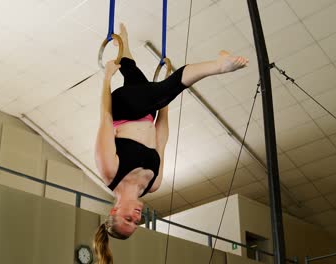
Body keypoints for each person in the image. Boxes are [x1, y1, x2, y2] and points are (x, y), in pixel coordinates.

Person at [93, 23, 248, 263]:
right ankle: (124, 44)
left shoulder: (109, 171)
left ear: (114, 211)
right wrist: (164, 103)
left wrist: (106, 79)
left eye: (128, 219)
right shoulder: (154, 184)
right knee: (140, 78)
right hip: (147, 110)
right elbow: (161, 139)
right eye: (137, 223)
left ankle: (220, 66)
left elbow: (105, 117)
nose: (136, 217)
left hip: (124, 107)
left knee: (161, 89)